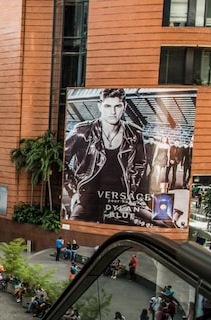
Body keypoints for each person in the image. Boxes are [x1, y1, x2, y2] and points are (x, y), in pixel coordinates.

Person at [62, 88, 148, 225]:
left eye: (117, 106)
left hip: (120, 199)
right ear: (99, 106)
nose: (113, 112)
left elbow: (140, 164)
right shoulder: (82, 131)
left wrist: (131, 191)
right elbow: (60, 161)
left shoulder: (134, 134)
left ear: (124, 106)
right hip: (87, 198)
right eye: (108, 106)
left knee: (159, 224)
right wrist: (73, 191)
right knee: (74, 227)